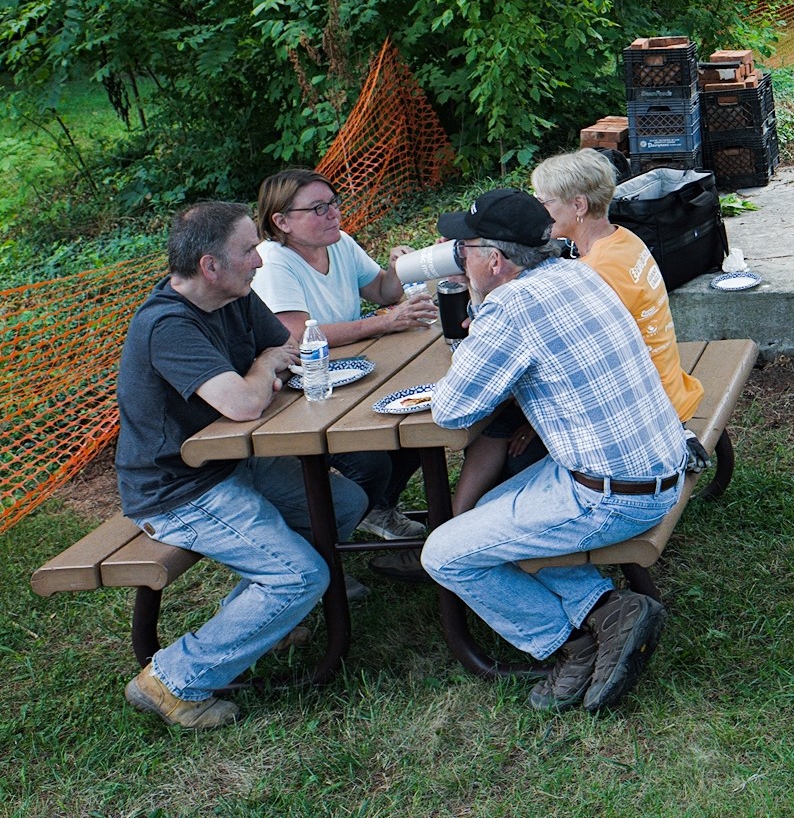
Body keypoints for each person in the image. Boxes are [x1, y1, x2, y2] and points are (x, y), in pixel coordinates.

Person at [420, 189, 687, 714]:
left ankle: (566, 644)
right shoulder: (579, 272)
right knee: (481, 518)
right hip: (658, 465)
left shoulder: (508, 309)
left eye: (463, 248)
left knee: (444, 554)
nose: (458, 257)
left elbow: (451, 411)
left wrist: (477, 315)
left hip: (610, 495)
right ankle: (608, 608)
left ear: (493, 260)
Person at [115, 201, 367, 729]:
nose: (259, 260)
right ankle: (173, 680)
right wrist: (261, 367)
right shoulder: (168, 324)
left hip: (227, 464)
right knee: (300, 577)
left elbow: (291, 347)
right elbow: (245, 403)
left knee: (346, 504)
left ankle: (263, 622)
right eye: (248, 250)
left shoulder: (236, 295)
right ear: (210, 266)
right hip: (179, 491)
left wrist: (269, 365)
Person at [451, 149, 703, 513]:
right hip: (664, 385)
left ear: (578, 205)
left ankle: (465, 522)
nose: (538, 211)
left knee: (506, 433)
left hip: (646, 408)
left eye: (544, 202)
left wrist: (535, 426)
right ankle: (461, 518)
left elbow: (582, 366)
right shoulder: (620, 241)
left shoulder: (598, 269)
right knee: (504, 422)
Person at [252, 168, 437, 541]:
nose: (333, 213)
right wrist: (386, 324)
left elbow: (384, 293)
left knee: (420, 420)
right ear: (282, 221)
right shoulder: (273, 262)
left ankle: (376, 510)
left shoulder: (338, 242)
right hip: (301, 387)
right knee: (371, 460)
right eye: (318, 208)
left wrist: (399, 267)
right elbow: (298, 334)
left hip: (353, 372)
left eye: (333, 202)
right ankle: (325, 542)